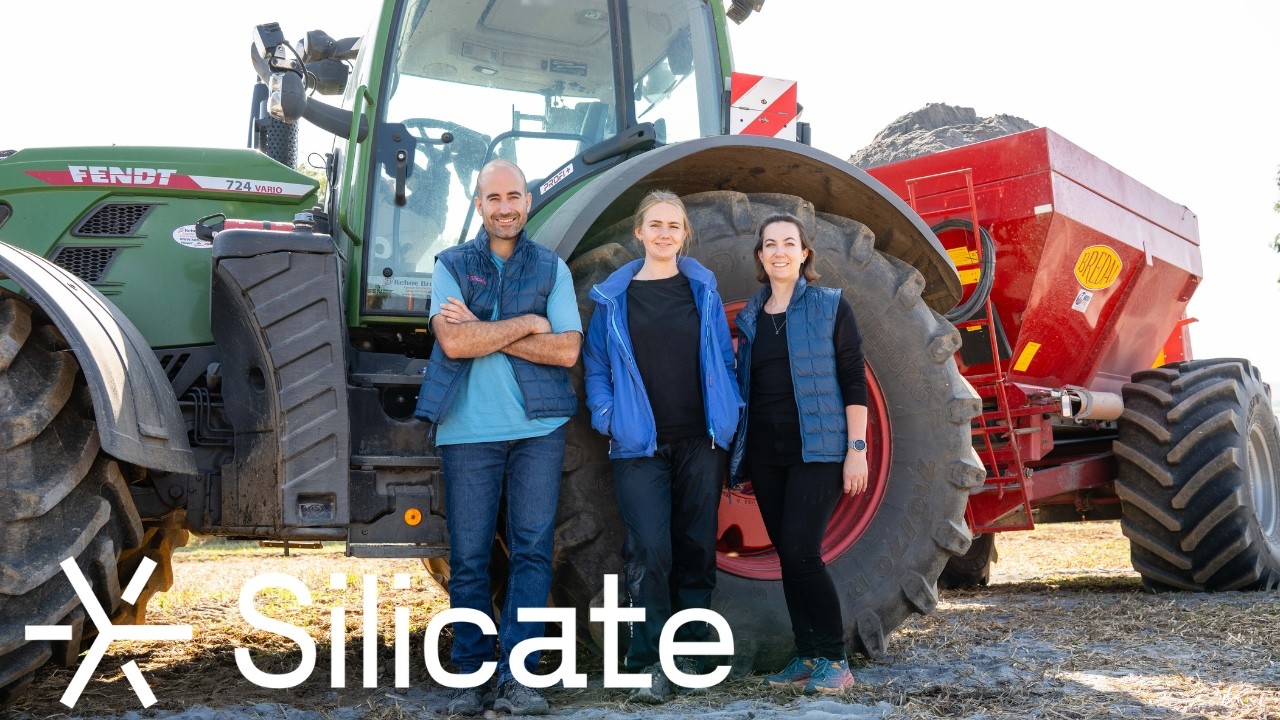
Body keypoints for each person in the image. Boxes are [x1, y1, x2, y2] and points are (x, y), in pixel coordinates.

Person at [413, 159, 582, 716]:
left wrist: (485, 328)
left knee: (534, 550)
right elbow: (454, 345)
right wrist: (529, 323)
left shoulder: (552, 267)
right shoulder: (451, 264)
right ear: (479, 205)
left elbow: (567, 350)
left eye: (514, 196)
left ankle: (519, 678)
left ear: (528, 202)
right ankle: (470, 675)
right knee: (468, 555)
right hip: (468, 431)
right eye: (493, 198)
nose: (504, 207)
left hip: (539, 429)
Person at [582, 190, 742, 703]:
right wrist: (609, 419)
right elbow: (597, 368)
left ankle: (692, 651)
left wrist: (729, 410)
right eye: (656, 225)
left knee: (696, 545)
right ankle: (648, 660)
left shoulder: (702, 289)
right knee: (648, 548)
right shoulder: (614, 297)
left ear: (684, 233)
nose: (664, 233)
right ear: (640, 232)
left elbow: (721, 352)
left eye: (674, 225)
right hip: (638, 446)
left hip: (701, 438)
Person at [728, 212, 868, 695]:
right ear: (761, 256)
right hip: (768, 454)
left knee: (803, 553)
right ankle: (807, 654)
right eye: (770, 244)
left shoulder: (831, 306)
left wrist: (857, 450)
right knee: (789, 555)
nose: (779, 251)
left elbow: (854, 381)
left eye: (789, 242)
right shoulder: (750, 316)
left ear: (804, 252)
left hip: (819, 451)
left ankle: (835, 658)